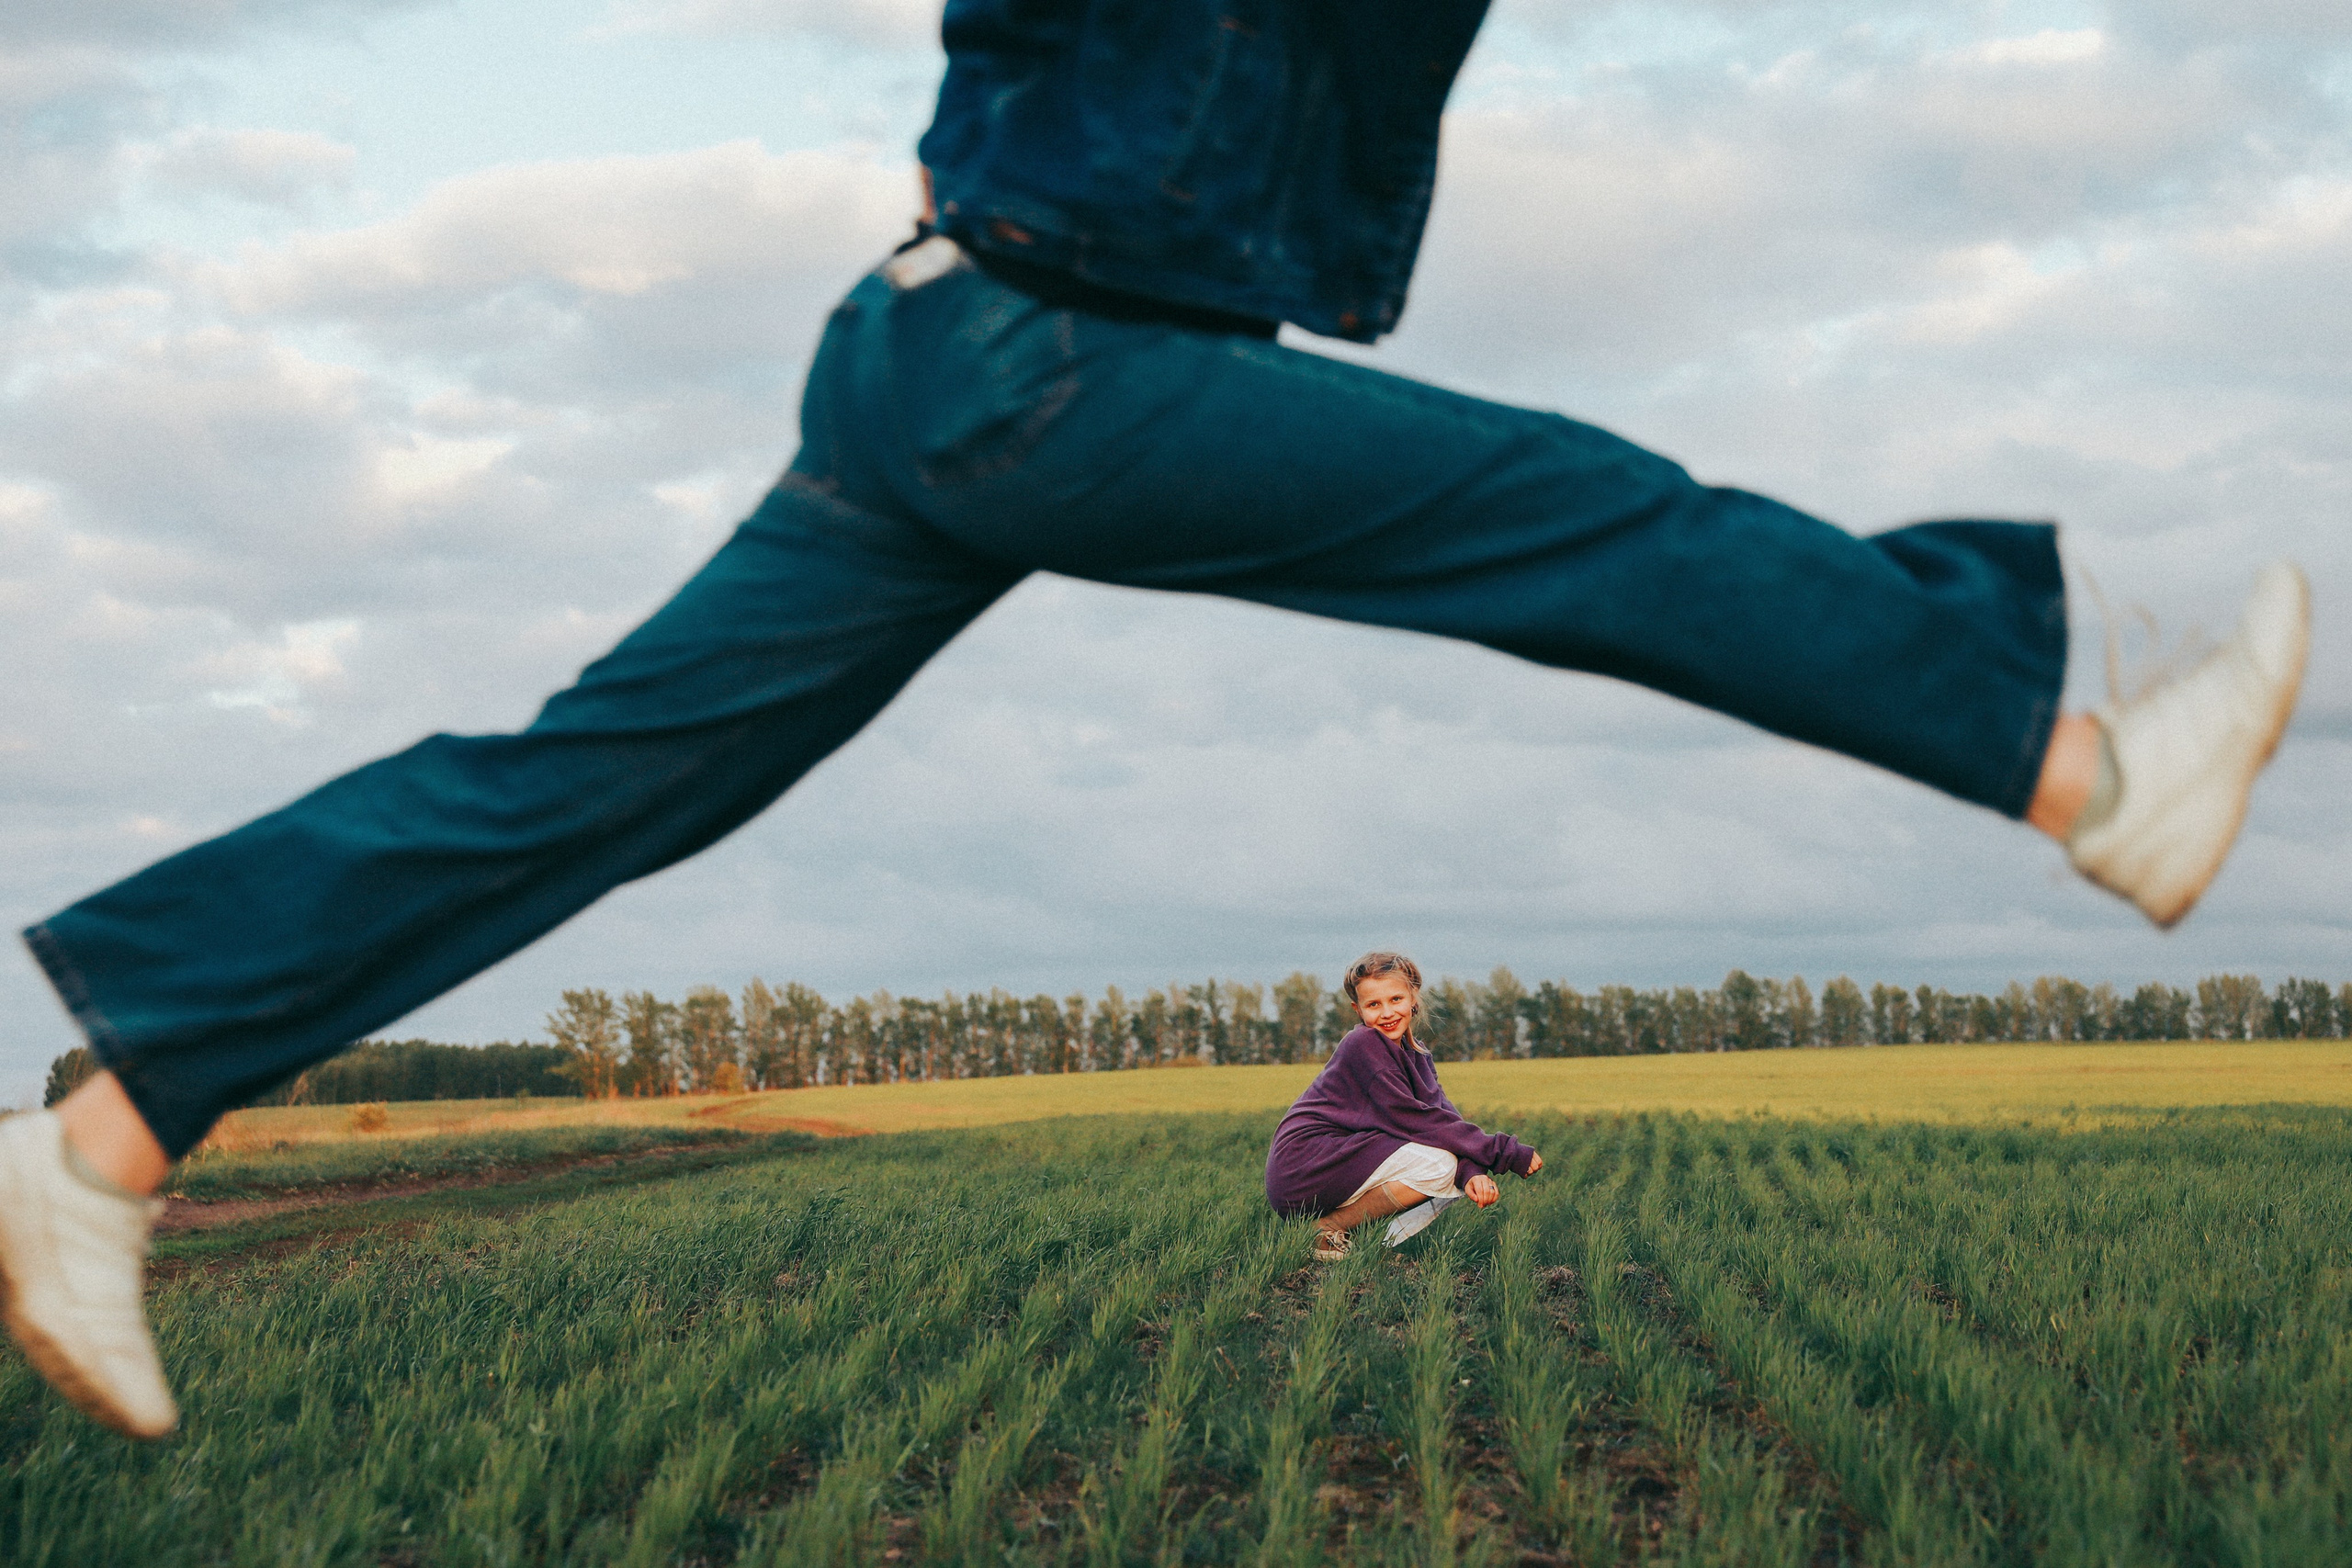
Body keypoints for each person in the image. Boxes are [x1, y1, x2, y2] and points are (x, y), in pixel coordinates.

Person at [0, 0, 2312, 1439]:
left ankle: (110, 1124)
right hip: (1055, 358)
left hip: (929, 346)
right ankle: (2076, 765)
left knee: (591, 783)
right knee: (1597, 526)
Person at [1265, 953, 1542, 1260]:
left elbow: (1442, 1119)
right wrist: (1505, 1151)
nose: (1386, 1013)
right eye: (1373, 1005)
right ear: (1358, 1010)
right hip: (1303, 1164)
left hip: (1337, 1158)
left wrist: (1471, 1172)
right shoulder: (1363, 1046)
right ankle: (1329, 1229)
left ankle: (1356, 1244)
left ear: (1413, 998)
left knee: (1446, 1166)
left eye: (1395, 999)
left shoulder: (1416, 1054)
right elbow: (1416, 1122)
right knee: (1439, 1166)